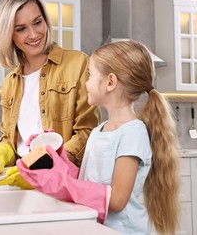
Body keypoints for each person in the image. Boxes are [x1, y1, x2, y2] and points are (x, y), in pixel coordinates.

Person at [16, 40, 181, 234]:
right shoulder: (99, 130)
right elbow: (89, 181)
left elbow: (117, 200)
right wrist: (57, 160)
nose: (85, 83)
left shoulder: (132, 133)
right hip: (94, 227)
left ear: (110, 82)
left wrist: (63, 183)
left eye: (90, 75)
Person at [0, 0, 100, 175]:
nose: (33, 34)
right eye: (21, 29)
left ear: (46, 21)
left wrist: (48, 163)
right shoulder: (10, 82)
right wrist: (2, 151)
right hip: (23, 174)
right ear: (9, 35)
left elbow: (87, 132)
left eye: (37, 22)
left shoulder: (78, 64)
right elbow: (11, 139)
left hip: (62, 177)